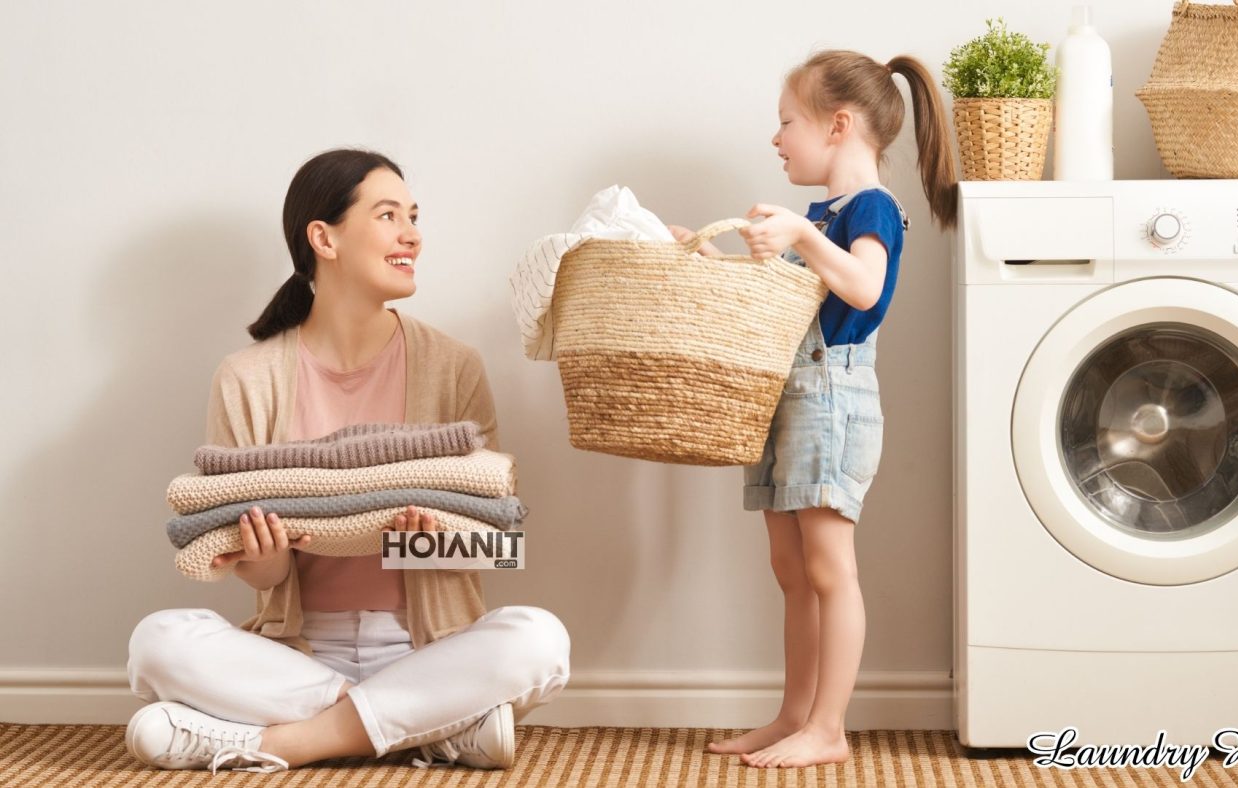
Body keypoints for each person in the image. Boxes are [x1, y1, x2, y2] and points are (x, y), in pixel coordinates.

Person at [124, 148, 570, 773]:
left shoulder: (453, 366)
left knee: (540, 639)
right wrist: (265, 554)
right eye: (388, 216)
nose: (412, 234)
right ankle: (427, 728)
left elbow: (498, 546)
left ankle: (281, 743)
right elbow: (260, 575)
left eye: (413, 216)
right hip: (297, 659)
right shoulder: (247, 378)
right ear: (323, 238)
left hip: (428, 650)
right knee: (156, 642)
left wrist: (419, 543)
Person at [670, 50, 957, 768]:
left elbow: (864, 288)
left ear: (838, 125)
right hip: (789, 400)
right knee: (791, 570)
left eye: (787, 122)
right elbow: (782, 306)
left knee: (830, 569)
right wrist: (709, 263)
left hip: (831, 400)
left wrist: (801, 236)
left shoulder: (871, 207)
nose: (777, 139)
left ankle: (829, 729)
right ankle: (794, 716)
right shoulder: (820, 214)